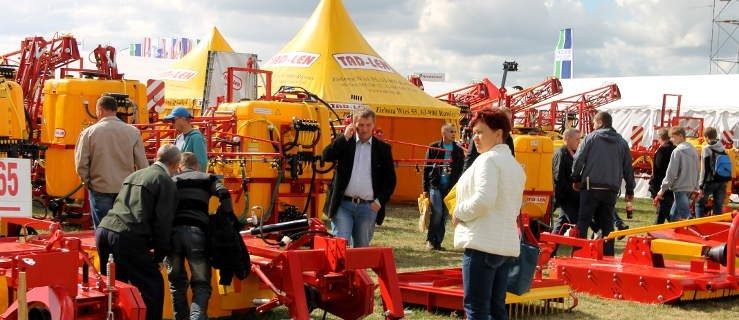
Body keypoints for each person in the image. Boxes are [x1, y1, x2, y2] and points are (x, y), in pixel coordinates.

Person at [453, 108, 525, 320]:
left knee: (477, 308)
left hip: (482, 243)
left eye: (481, 132)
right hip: (503, 246)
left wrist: (459, 211)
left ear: (498, 133)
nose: (475, 137)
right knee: (496, 308)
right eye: (473, 132)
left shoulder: (488, 160)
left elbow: (484, 200)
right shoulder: (513, 165)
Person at [95, 144, 181, 320]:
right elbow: (163, 223)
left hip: (104, 229)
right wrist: (159, 255)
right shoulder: (164, 181)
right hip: (127, 235)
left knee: (113, 287)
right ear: (177, 163)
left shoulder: (134, 175)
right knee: (152, 286)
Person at [166, 152, 233, 320]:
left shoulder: (172, 180)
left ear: (180, 166)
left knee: (176, 284)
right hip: (197, 233)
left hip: (172, 236)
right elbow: (224, 194)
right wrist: (225, 216)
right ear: (197, 166)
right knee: (201, 285)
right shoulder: (207, 178)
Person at [322, 107, 396, 247]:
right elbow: (326, 156)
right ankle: (340, 270)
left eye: (368, 125)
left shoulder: (383, 149)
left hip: (368, 207)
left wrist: (379, 202)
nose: (364, 129)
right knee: (340, 245)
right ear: (354, 124)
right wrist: (344, 137)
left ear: (374, 125)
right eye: (361, 125)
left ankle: (357, 270)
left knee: (361, 248)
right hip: (343, 205)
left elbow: (390, 180)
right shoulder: (345, 142)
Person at [75, 95, 149, 227]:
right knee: (123, 228)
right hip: (125, 189)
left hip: (100, 187)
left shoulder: (88, 133)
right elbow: (142, 164)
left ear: (100, 110)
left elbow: (81, 163)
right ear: (115, 109)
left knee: (103, 228)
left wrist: (87, 182)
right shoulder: (133, 132)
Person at [571, 111, 635, 256]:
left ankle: (578, 252)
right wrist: (630, 189)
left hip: (590, 186)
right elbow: (628, 168)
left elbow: (579, 159)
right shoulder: (622, 142)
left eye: (594, 123)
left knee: (583, 221)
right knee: (607, 224)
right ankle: (607, 255)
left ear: (599, 123)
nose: (593, 126)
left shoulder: (591, 138)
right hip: (611, 189)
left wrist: (575, 179)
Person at [422, 123, 464, 251]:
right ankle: (430, 240)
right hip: (435, 185)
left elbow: (461, 170)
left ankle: (438, 242)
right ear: (444, 133)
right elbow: (426, 168)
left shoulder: (458, 151)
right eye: (451, 131)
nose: (453, 134)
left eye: (454, 132)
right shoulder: (434, 147)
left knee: (444, 215)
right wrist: (425, 189)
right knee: (437, 213)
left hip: (450, 188)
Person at [655, 126, 699, 221]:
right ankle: (674, 233)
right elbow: (697, 169)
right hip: (690, 186)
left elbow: (671, 172)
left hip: (680, 187)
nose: (671, 139)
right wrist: (696, 186)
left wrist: (662, 189)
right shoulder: (694, 150)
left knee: (686, 217)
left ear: (680, 136)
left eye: (673, 137)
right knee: (673, 217)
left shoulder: (677, 151)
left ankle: (694, 233)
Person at [463, 107, 515, 171]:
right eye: (503, 119)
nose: (506, 122)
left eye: (508, 120)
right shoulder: (480, 136)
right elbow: (470, 157)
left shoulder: (508, 138)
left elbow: (511, 157)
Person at [551, 128, 581, 237]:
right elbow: (558, 177)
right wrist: (563, 197)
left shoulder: (572, 153)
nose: (579, 142)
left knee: (562, 224)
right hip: (566, 197)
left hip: (570, 197)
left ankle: (550, 249)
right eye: (577, 139)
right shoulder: (562, 153)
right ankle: (579, 250)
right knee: (579, 225)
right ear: (568, 138)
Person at [696, 127, 729, 217]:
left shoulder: (706, 149)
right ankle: (716, 226)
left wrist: (701, 185)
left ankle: (700, 225)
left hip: (710, 182)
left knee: (699, 204)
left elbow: (705, 169)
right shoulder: (722, 147)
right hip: (722, 180)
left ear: (706, 137)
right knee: (718, 206)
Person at [164, 106, 208, 172]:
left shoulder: (196, 138)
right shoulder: (179, 138)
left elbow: (201, 163)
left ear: (183, 119)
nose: (172, 124)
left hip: (191, 180)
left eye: (173, 120)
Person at [648, 128, 676, 224]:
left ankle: (678, 228)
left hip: (662, 184)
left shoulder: (662, 150)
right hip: (673, 183)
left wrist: (655, 187)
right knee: (663, 211)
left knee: (664, 211)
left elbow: (657, 170)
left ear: (660, 137)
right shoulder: (675, 149)